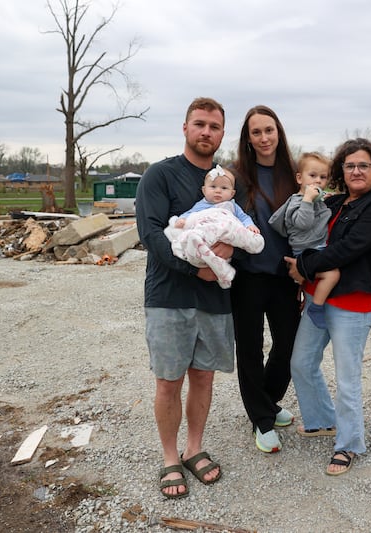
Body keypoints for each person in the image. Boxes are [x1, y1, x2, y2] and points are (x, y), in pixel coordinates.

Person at [135, 97, 233, 499]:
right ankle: (170, 457)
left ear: (222, 133)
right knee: (168, 382)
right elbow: (152, 235)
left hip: (213, 300)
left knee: (204, 377)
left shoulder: (226, 180)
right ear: (185, 128)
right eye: (199, 124)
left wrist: (233, 252)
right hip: (169, 297)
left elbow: (242, 225)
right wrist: (198, 269)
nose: (206, 131)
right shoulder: (159, 175)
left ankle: (195, 448)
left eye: (214, 126)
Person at [286, 138, 371, 476]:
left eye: (364, 165)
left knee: (347, 377)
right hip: (319, 297)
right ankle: (322, 421)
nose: (356, 170)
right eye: (350, 165)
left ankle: (349, 444)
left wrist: (303, 265)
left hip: (353, 301)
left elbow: (350, 248)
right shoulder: (332, 202)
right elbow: (304, 230)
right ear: (341, 171)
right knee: (301, 362)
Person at [230, 105, 301, 453]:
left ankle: (266, 403)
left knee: (289, 347)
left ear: (278, 132)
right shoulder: (238, 177)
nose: (263, 138)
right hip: (247, 278)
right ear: (248, 138)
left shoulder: (294, 175)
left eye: (268, 130)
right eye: (255, 132)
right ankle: (261, 419)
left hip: (285, 276)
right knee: (250, 349)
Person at [268, 152, 339, 328]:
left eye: (323, 177)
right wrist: (308, 200)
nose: (318, 181)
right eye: (312, 176)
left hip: (316, 248)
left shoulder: (315, 201)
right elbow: (303, 223)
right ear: (299, 178)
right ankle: (316, 307)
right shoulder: (297, 201)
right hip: (306, 251)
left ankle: (315, 302)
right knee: (333, 274)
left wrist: (321, 201)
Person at [164, 165, 264, 289]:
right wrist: (182, 220)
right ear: (204, 190)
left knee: (237, 231)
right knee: (196, 232)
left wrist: (250, 226)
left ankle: (253, 242)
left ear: (232, 193)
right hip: (207, 236)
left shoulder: (232, 206)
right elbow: (191, 215)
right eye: (213, 187)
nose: (218, 191)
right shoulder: (201, 205)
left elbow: (244, 218)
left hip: (225, 235)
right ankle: (218, 267)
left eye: (224, 188)